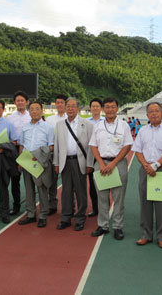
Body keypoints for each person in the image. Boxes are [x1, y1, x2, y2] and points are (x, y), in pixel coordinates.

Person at [132, 102, 162, 249]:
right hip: (146, 169)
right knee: (145, 203)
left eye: (157, 111)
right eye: (150, 111)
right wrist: (146, 165)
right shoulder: (143, 130)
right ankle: (145, 234)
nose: (154, 114)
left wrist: (156, 165)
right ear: (147, 115)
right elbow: (137, 150)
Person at [89, 97, 133, 240]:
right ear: (103, 109)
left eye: (112, 107)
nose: (110, 109)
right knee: (101, 197)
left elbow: (127, 146)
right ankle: (103, 225)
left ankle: (118, 227)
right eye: (107, 107)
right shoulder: (98, 126)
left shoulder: (124, 125)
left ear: (117, 108)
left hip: (118, 163)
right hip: (101, 163)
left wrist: (113, 163)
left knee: (118, 198)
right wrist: (101, 163)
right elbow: (93, 146)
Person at [54, 97, 94, 231]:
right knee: (66, 191)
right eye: (68, 106)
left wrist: (89, 164)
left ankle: (80, 218)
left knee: (81, 190)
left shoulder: (87, 124)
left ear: (78, 108)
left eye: (73, 106)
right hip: (65, 161)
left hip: (79, 161)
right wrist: (56, 163)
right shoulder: (60, 125)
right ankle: (66, 217)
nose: (70, 108)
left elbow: (90, 146)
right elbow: (57, 145)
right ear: (65, 108)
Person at [18, 101, 55, 228]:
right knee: (29, 190)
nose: (34, 111)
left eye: (37, 109)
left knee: (42, 188)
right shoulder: (25, 127)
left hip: (40, 162)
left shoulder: (48, 127)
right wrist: (20, 161)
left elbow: (51, 146)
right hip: (27, 161)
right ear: (29, 111)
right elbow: (22, 145)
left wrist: (38, 154)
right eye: (32, 109)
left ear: (42, 111)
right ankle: (31, 215)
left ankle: (43, 215)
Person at [6, 91, 32, 215]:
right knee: (15, 179)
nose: (20, 102)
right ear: (14, 102)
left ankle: (30, 206)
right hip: (14, 151)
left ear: (26, 102)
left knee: (31, 180)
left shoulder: (32, 115)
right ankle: (16, 206)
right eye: (18, 100)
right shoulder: (10, 118)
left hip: (29, 151)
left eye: (22, 100)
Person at [46, 94, 68, 215]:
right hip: (53, 153)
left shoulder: (70, 118)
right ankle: (52, 205)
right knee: (52, 181)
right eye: (57, 102)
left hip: (67, 154)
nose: (59, 104)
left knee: (68, 182)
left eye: (62, 102)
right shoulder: (49, 120)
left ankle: (69, 205)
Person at [86, 98, 105, 217]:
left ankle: (104, 208)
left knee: (104, 184)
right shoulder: (86, 122)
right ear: (90, 108)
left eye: (97, 106)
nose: (95, 108)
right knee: (92, 184)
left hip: (103, 156)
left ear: (101, 108)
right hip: (90, 156)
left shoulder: (105, 121)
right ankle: (95, 208)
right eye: (93, 106)